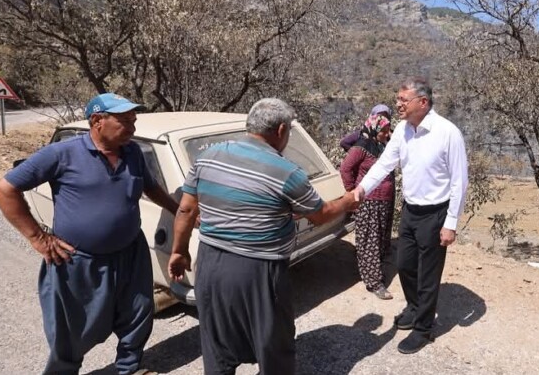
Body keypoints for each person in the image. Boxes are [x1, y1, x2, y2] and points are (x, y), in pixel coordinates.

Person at [0, 93, 179, 375]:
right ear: (97, 121)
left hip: (130, 253)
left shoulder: (134, 152)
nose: (132, 128)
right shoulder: (62, 154)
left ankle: (128, 369)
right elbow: (4, 190)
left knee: (138, 315)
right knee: (71, 328)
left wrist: (179, 210)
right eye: (124, 121)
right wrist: (38, 237)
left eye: (133, 121)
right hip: (79, 260)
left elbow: (150, 187)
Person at [168, 98, 359, 375]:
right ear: (281, 130)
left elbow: (186, 208)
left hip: (210, 264)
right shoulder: (287, 171)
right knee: (273, 345)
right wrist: (348, 201)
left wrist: (179, 250)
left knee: (217, 341)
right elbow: (320, 214)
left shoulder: (208, 156)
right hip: (258, 270)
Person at [355, 76, 468, 354]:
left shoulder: (447, 132)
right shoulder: (403, 130)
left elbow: (460, 181)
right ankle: (415, 307)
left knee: (428, 275)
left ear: (423, 102)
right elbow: (385, 163)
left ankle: (424, 328)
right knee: (405, 264)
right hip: (410, 210)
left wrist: (450, 223)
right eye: (398, 99)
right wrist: (361, 190)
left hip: (435, 214)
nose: (398, 105)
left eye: (403, 100)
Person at [340, 113, 395, 300]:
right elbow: (345, 169)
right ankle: (374, 282)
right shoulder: (361, 147)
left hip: (384, 201)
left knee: (378, 240)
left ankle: (375, 273)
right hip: (368, 202)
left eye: (388, 131)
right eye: (384, 131)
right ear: (374, 129)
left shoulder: (382, 145)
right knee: (369, 242)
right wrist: (352, 191)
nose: (386, 134)